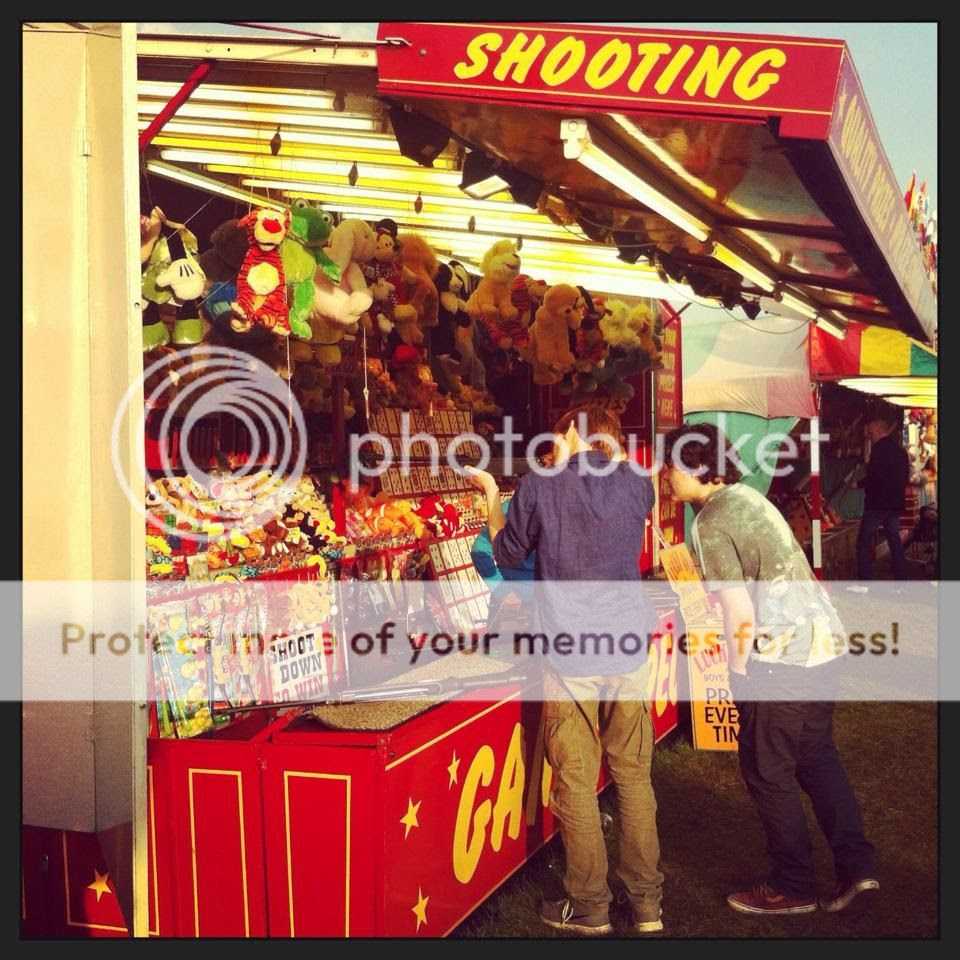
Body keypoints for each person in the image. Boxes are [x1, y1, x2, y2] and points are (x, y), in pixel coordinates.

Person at [664, 422, 878, 917]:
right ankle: (858, 868)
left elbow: (738, 610)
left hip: (780, 658)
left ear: (698, 467)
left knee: (767, 771)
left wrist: (738, 676)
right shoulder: (749, 498)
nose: (665, 475)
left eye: (670, 466)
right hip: (823, 644)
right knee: (817, 758)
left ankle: (792, 885)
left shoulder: (710, 520)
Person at [467, 405, 663, 936]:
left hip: (569, 650)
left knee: (575, 780)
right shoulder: (638, 482)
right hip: (627, 647)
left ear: (573, 431)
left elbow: (508, 555)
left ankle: (591, 904)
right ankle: (646, 904)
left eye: (556, 435)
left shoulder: (541, 485)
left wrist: (492, 495)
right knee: (634, 775)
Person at [855, 410, 910, 581]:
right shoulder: (900, 450)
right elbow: (905, 476)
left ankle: (865, 581)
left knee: (863, 541)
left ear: (879, 431)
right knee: (894, 540)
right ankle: (902, 578)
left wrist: (858, 484)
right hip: (895, 503)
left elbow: (875, 477)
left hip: (877, 504)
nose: (870, 436)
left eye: (871, 433)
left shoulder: (878, 450)